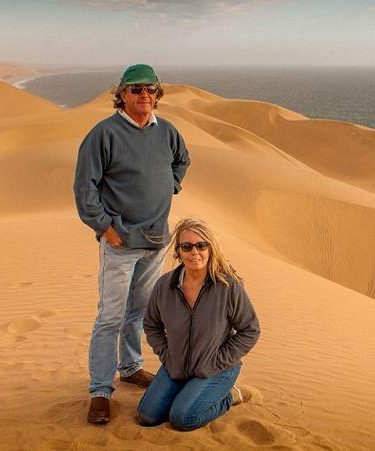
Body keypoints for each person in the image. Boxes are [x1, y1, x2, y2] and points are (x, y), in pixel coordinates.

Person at [73, 64, 190, 424]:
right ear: (122, 94)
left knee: (138, 311)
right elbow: (85, 188)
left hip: (155, 241)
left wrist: (169, 185)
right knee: (110, 316)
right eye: (136, 89)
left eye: (150, 89)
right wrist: (106, 228)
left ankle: (131, 366)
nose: (144, 95)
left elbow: (182, 160)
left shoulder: (166, 131)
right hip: (120, 243)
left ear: (157, 94)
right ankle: (100, 390)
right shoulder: (104, 134)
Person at [138, 218, 260, 430]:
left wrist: (218, 361)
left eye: (201, 245)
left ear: (210, 248)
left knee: (183, 418)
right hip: (176, 367)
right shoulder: (165, 286)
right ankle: (188, 391)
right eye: (187, 246)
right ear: (178, 252)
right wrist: (167, 355)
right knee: (147, 416)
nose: (194, 252)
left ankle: (229, 396)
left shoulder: (228, 286)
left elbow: (250, 330)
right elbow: (151, 325)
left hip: (216, 368)